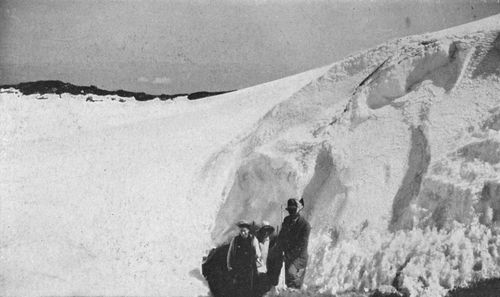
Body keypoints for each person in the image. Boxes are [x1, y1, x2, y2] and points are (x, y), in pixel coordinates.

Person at [277, 198, 311, 289]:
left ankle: (299, 286)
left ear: (298, 210)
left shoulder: (305, 226)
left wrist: (287, 256)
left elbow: (301, 246)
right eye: (290, 210)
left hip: (299, 257)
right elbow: (281, 236)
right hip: (287, 254)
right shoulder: (286, 220)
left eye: (293, 210)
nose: (291, 212)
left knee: (290, 272)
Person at [227, 220, 261, 297]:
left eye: (244, 231)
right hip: (238, 269)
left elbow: (258, 254)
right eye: (241, 231)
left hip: (250, 269)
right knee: (238, 290)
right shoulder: (235, 240)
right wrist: (229, 267)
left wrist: (257, 259)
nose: (242, 233)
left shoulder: (253, 239)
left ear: (248, 230)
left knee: (250, 290)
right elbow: (230, 254)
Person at [254, 221, 276, 296]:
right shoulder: (256, 240)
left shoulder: (268, 240)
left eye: (268, 231)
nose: (266, 233)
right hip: (257, 267)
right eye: (264, 230)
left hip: (265, 267)